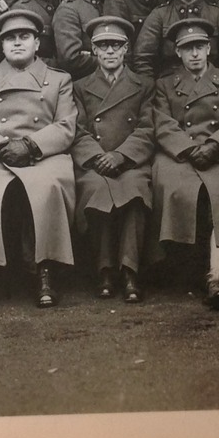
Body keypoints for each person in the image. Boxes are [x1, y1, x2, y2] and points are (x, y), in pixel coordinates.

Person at [0, 8, 78, 310]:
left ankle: (44, 271)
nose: (18, 43)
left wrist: (31, 145)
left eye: (25, 36)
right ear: (1, 45)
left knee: (49, 186)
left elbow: (65, 126)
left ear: (38, 43)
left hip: (42, 154)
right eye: (10, 38)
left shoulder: (57, 80)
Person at [150, 17, 219, 310]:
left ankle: (215, 273)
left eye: (199, 47)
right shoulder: (165, 85)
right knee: (173, 185)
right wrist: (186, 148)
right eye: (187, 48)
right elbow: (162, 123)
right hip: (179, 154)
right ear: (178, 53)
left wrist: (214, 147)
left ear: (209, 49)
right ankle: (179, 265)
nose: (194, 54)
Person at [70, 16, 157, 302]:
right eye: (103, 45)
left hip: (129, 161)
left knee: (134, 192)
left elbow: (147, 128)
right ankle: (105, 270)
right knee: (97, 190)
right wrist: (97, 157)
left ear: (126, 49)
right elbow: (78, 130)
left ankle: (130, 270)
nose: (109, 51)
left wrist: (121, 155)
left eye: (116, 45)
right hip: (96, 162)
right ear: (93, 50)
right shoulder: (80, 87)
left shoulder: (143, 84)